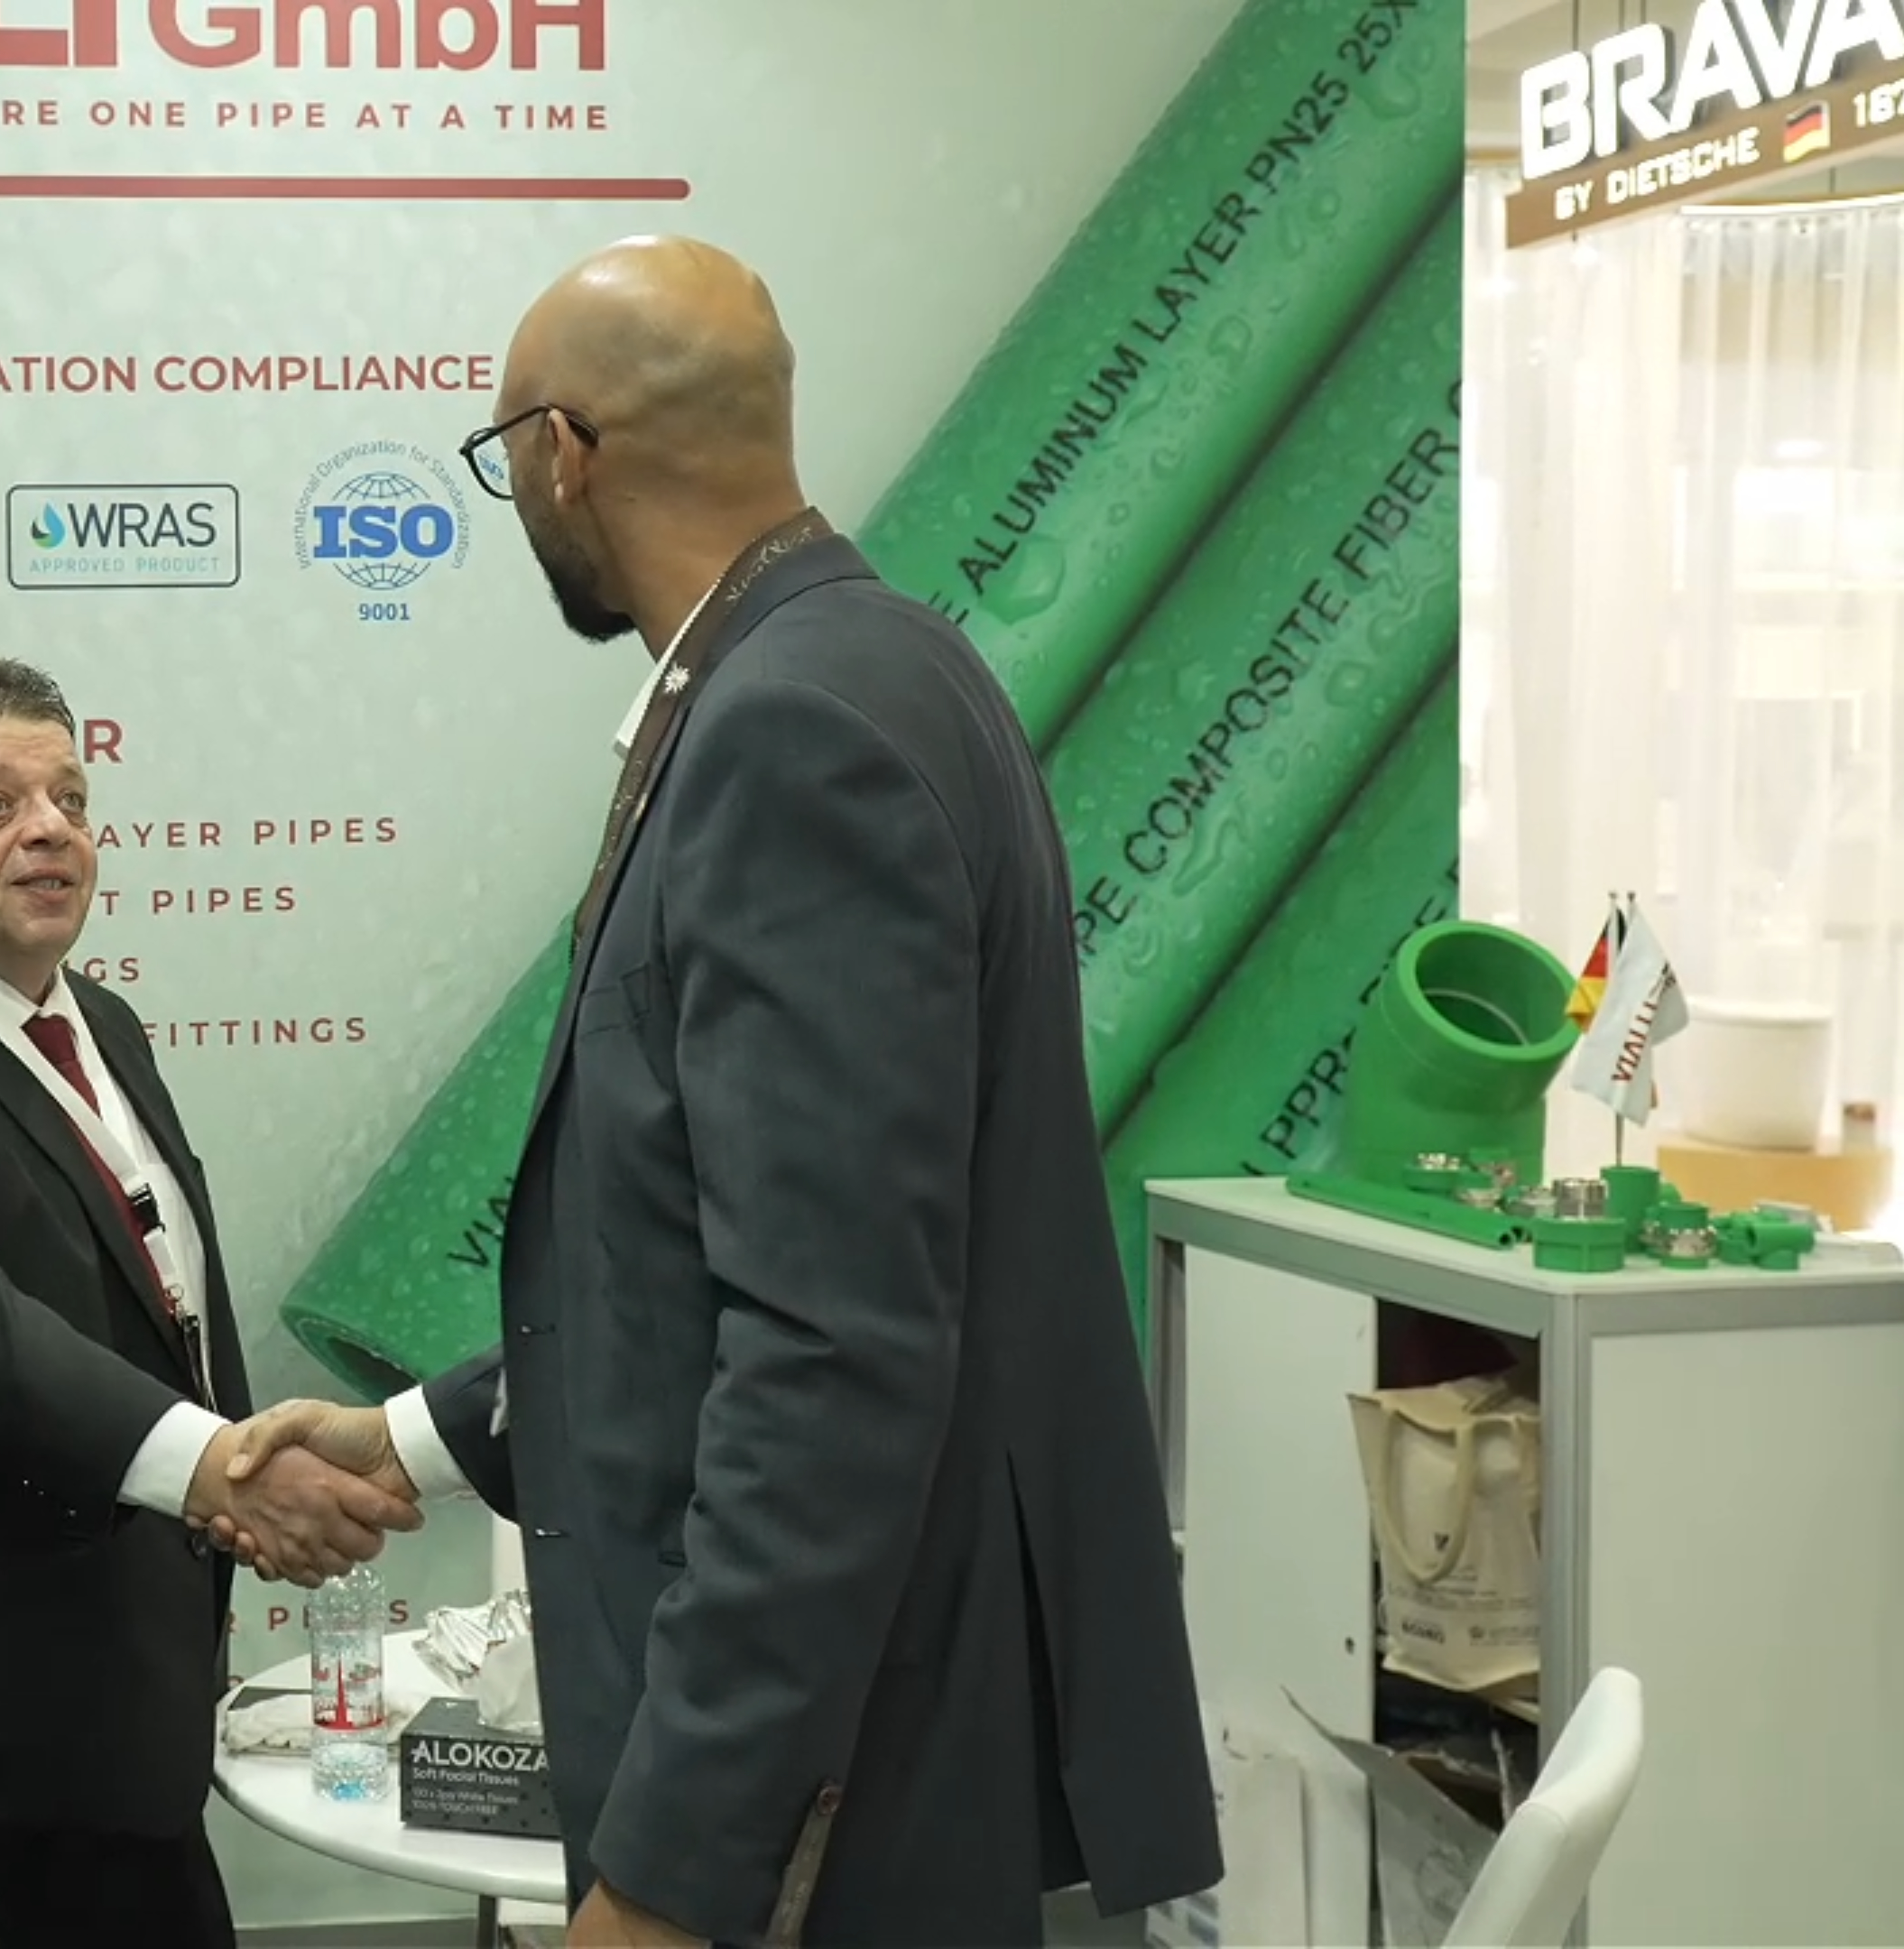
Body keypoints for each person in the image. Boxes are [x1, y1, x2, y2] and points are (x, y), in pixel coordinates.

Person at [224, 236, 1222, 1947]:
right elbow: (703, 1260)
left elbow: (830, 1357)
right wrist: (409, 1438)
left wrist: (673, 1875)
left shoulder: (788, 732)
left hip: (831, 1793)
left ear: (564, 453)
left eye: (503, 454)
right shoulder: (881, 663)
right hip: (874, 1732)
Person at [0, 654, 421, 1949]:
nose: (51, 830)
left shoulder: (102, 1021)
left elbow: (163, 1304)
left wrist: (227, 1478)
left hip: (119, 1703)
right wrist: (219, 1468)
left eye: (70, 799)